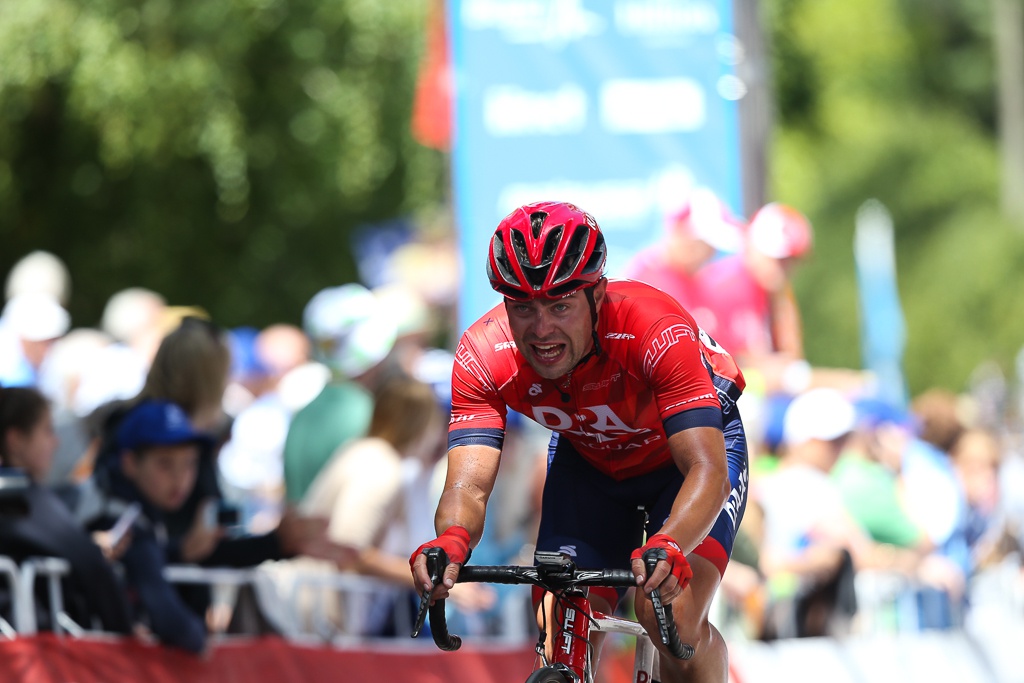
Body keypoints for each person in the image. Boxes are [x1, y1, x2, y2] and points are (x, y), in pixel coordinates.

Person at [410, 201, 749, 683]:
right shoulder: (483, 355)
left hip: (685, 465)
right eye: (523, 307)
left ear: (598, 295)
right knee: (559, 625)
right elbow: (468, 487)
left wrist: (670, 542)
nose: (542, 329)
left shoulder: (652, 327)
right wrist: (451, 541)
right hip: (590, 462)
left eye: (560, 305)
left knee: (669, 616)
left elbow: (707, 469)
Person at [0, 386, 133, 635]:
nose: (56, 441)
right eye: (47, 430)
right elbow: (90, 564)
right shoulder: (23, 495)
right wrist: (127, 634)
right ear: (15, 440)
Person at [87, 399, 215, 653]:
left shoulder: (120, 502)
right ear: (130, 463)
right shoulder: (124, 520)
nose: (180, 478)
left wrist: (178, 552)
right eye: (165, 464)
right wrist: (200, 639)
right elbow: (164, 613)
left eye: (189, 463)